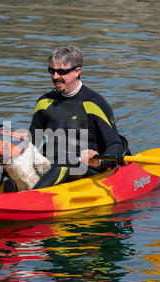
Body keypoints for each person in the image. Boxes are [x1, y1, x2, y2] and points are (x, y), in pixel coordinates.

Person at [29, 44, 126, 189]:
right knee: (5, 157)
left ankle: (31, 198)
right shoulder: (44, 102)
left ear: (77, 71)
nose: (55, 77)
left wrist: (99, 161)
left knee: (66, 161)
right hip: (50, 167)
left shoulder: (94, 103)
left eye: (61, 72)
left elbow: (115, 146)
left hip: (84, 169)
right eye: (52, 71)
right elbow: (32, 144)